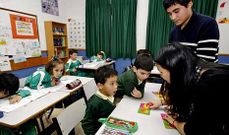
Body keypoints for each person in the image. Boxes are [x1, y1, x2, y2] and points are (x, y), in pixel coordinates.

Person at [151, 42, 229, 135]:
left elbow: (193, 131)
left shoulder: (207, 84)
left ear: (174, 69)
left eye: (161, 72)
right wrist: (164, 101)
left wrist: (174, 122)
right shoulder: (193, 69)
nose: (161, 76)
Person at [81, 66, 118, 135]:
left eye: (116, 82)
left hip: (110, 126)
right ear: (100, 86)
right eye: (112, 83)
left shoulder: (110, 93)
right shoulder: (94, 103)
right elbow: (86, 124)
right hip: (101, 131)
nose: (116, 86)